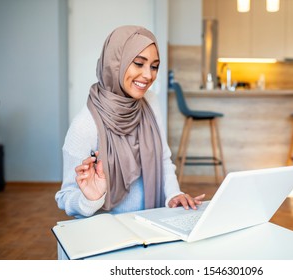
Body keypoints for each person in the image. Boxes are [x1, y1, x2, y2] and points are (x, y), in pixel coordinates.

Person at [55, 26, 204, 218]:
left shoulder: (150, 102)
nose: (148, 75)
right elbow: (65, 197)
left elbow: (162, 159)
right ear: (116, 63)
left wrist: (173, 194)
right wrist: (90, 199)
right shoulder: (85, 125)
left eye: (154, 66)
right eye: (139, 63)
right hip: (107, 232)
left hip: (150, 223)